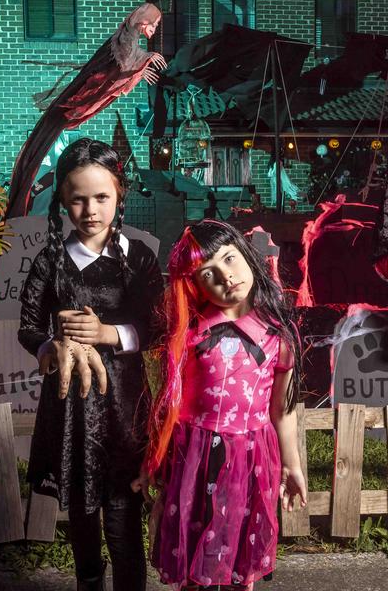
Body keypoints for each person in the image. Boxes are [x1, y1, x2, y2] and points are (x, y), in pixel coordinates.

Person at [17, 139, 164, 591]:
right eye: (78, 198)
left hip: (123, 403)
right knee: (81, 506)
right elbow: (28, 327)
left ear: (119, 194)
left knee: (123, 506)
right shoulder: (52, 261)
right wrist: (49, 348)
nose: (90, 209)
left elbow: (157, 327)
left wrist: (108, 334)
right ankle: (88, 581)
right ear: (62, 200)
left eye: (101, 197)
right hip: (71, 406)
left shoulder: (138, 258)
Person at [144, 220, 307, 589]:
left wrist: (292, 466)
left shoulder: (277, 336)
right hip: (195, 459)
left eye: (230, 259)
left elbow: (282, 409)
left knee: (239, 552)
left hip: (250, 459)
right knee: (193, 550)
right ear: (195, 284)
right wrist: (158, 459)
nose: (226, 276)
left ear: (247, 255)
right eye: (208, 273)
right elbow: (171, 402)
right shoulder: (188, 334)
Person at [6, 3, 166, 217]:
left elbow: (124, 66)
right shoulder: (125, 37)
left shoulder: (128, 40)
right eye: (154, 25)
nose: (154, 30)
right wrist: (145, 60)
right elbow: (123, 61)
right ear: (143, 21)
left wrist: (138, 70)